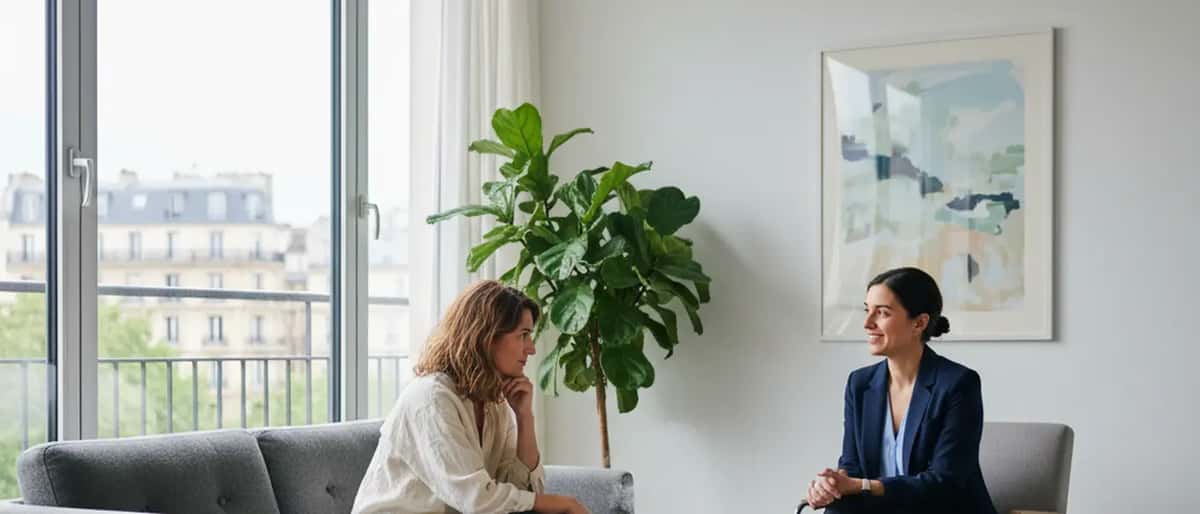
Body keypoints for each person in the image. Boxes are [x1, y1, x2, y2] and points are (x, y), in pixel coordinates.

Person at [353, 280, 590, 514]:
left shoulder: (493, 403)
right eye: (523, 335)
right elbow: (475, 499)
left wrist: (525, 418)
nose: (531, 349)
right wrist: (560, 503)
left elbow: (518, 491)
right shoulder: (431, 399)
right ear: (487, 336)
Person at [803, 267, 997, 514]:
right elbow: (852, 466)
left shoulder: (958, 383)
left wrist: (861, 485)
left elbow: (945, 482)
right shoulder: (859, 384)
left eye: (882, 313)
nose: (867, 323)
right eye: (867, 310)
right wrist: (831, 485)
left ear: (919, 323)